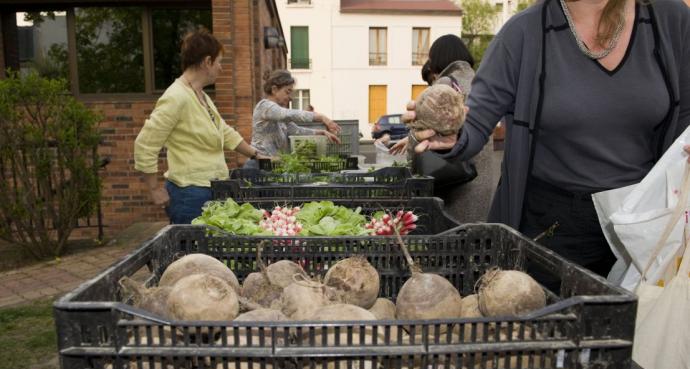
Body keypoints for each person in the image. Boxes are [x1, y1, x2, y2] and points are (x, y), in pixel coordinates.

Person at [406, 0, 690, 284]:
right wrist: (451, 134)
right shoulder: (523, 32)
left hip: (645, 222)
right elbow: (477, 121)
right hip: (551, 229)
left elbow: (685, 113)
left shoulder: (670, 20)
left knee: (640, 324)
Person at [134, 29, 264, 224]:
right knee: (193, 253)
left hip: (211, 190)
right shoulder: (176, 97)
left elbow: (224, 132)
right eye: (219, 62)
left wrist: (257, 155)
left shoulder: (201, 95)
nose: (221, 68)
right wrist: (154, 189)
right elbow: (145, 144)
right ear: (207, 62)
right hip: (189, 195)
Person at [391, 34, 481, 196]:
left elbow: (424, 131)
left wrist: (412, 139)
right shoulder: (478, 80)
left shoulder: (445, 84)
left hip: (454, 184)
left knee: (450, 221)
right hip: (480, 178)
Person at [246, 70, 340, 168]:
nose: (290, 98)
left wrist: (322, 132)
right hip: (257, 165)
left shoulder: (278, 115)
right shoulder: (265, 106)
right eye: (288, 92)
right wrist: (321, 117)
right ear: (274, 90)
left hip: (272, 166)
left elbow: (296, 130)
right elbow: (287, 114)